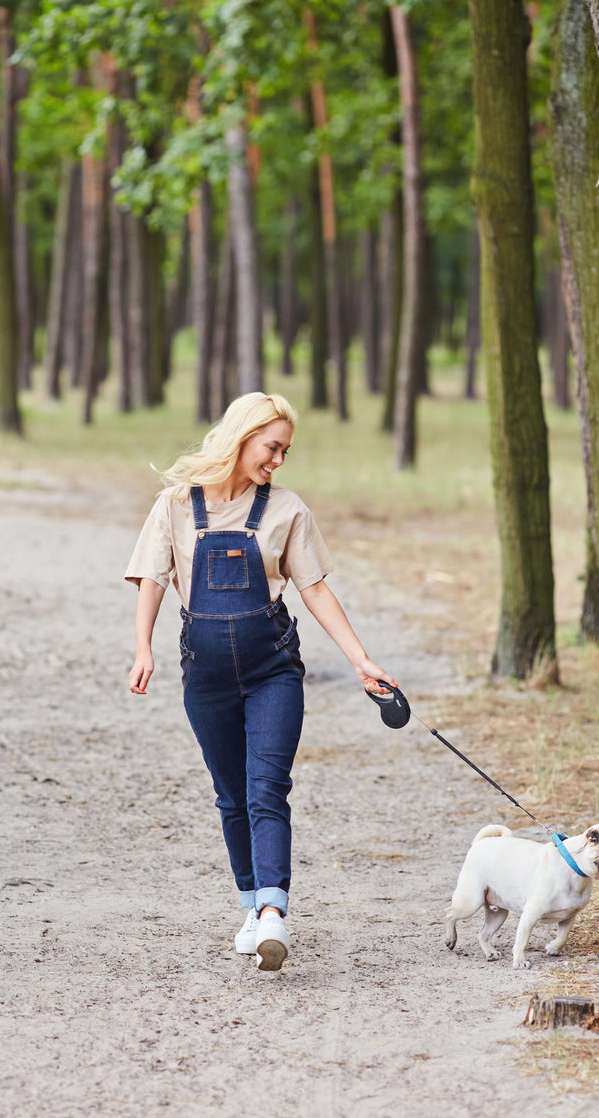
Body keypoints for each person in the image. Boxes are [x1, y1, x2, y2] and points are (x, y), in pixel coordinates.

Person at [125, 392, 396, 970]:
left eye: (284, 452)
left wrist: (360, 659)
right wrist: (142, 647)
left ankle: (274, 912)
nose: (277, 461)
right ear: (241, 437)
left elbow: (315, 588)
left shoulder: (286, 510)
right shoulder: (175, 505)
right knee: (230, 795)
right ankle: (252, 907)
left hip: (274, 671)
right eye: (272, 448)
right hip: (206, 678)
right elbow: (152, 575)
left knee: (266, 788)